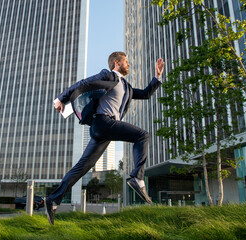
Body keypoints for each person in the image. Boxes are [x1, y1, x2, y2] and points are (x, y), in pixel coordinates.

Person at [45, 51, 164, 225]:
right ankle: (137, 178)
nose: (128, 64)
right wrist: (61, 98)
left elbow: (146, 94)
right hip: (102, 123)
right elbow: (83, 83)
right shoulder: (108, 75)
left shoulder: (127, 88)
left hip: (105, 130)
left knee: (82, 167)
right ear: (117, 63)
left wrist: (157, 77)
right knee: (142, 135)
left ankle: (53, 200)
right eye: (126, 62)